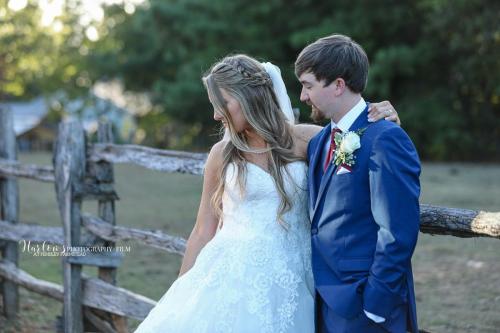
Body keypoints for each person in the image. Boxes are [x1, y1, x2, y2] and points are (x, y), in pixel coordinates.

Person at [134, 54, 400, 333]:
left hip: (293, 279)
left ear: (250, 97)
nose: (215, 115)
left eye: (222, 104)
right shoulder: (221, 155)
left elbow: (362, 151)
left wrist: (383, 121)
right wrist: (181, 292)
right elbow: (203, 229)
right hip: (231, 278)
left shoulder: (307, 140)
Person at [296, 34, 421, 333]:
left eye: (308, 85)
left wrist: (376, 306)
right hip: (323, 300)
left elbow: (397, 231)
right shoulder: (319, 142)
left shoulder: (386, 138)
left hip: (365, 305)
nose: (302, 96)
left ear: (338, 85)